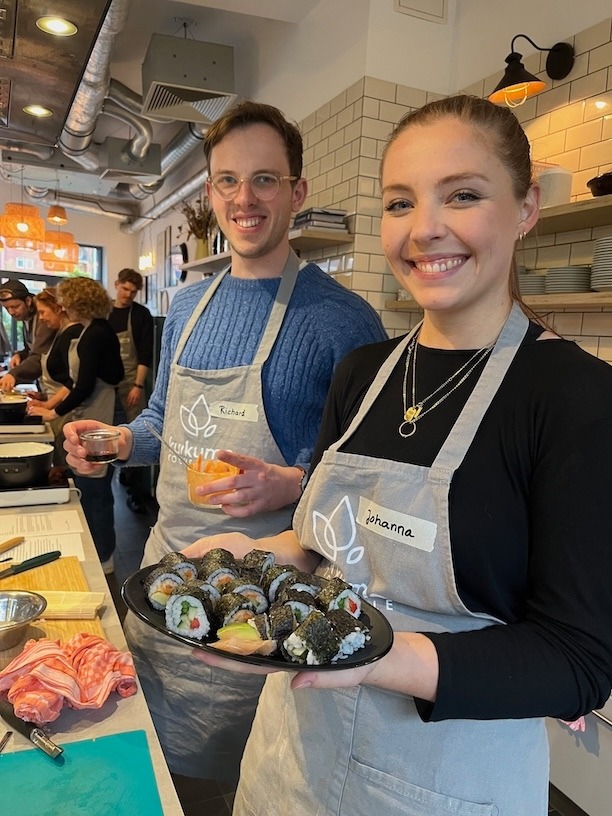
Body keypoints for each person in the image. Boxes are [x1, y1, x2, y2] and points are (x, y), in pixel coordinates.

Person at [181, 95, 612, 816]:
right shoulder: (363, 371)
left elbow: (578, 663)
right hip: (294, 755)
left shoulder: (575, 397)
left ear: (527, 206)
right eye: (400, 202)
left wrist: (377, 656)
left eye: (464, 195)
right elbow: (325, 543)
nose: (425, 229)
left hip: (445, 783)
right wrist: (256, 556)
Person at [62, 99, 387, 784]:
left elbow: (370, 478)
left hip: (263, 611)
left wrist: (293, 483)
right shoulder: (186, 304)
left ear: (297, 192)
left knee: (240, 786)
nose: (246, 198)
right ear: (210, 195)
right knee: (149, 771)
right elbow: (162, 425)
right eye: (228, 181)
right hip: (163, 578)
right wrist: (115, 440)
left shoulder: (344, 322)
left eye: (265, 179)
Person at [29, 277, 123, 573]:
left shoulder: (95, 333)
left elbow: (83, 386)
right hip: (90, 411)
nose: (61, 306)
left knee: (95, 489)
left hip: (100, 412)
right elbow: (78, 383)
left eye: (65, 300)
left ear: (76, 302)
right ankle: (100, 551)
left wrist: (53, 412)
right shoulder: (91, 330)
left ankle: (104, 557)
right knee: (89, 484)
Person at [108, 267, 154, 514]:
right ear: (117, 284)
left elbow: (145, 353)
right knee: (111, 434)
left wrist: (138, 385)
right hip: (105, 385)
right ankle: (116, 480)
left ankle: (137, 494)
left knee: (137, 435)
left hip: (131, 383)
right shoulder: (104, 312)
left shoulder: (141, 314)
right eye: (125, 288)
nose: (128, 294)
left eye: (133, 291)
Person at [26, 287, 83, 465]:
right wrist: (44, 397)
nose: (41, 318)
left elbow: (73, 381)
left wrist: (50, 406)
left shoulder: (71, 334)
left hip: (66, 412)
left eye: (43, 312)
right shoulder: (60, 332)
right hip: (58, 408)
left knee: (65, 466)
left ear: (58, 308)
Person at [0, 280, 55, 391]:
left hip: (56, 383)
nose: (11, 312)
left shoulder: (44, 319)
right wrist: (20, 355)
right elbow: (30, 349)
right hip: (45, 385)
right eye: (7, 308)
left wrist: (13, 374)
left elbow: (39, 355)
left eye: (15, 306)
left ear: (28, 301)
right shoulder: (26, 318)